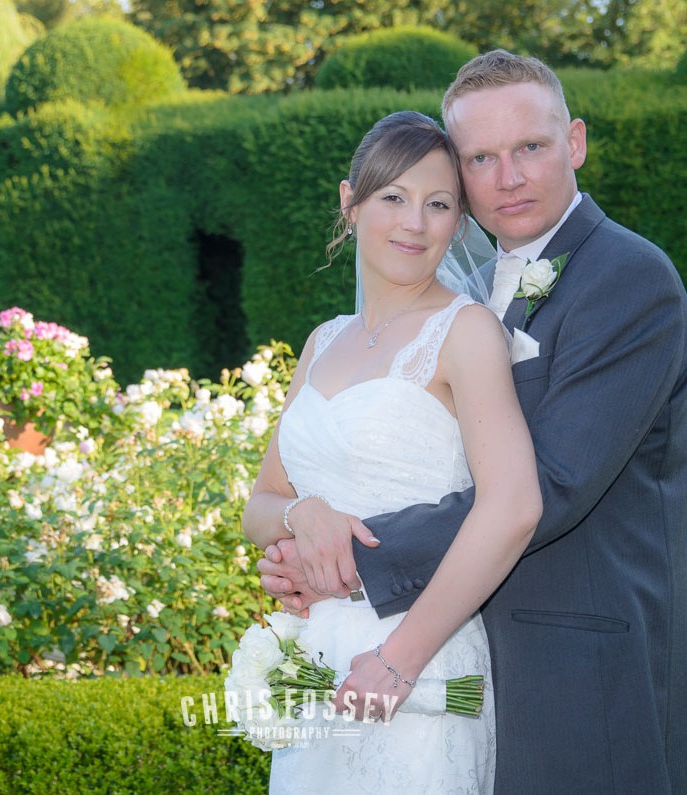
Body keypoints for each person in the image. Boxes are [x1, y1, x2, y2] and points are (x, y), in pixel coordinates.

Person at [258, 51, 687, 793]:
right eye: (481, 158)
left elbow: (550, 483)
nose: (507, 177)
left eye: (530, 147)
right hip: (464, 654)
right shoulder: (473, 291)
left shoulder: (628, 278)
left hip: (581, 662)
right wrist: (303, 522)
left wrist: (345, 558)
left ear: (575, 142)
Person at [241, 109, 542, 793]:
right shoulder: (322, 340)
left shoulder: (463, 333)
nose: (413, 222)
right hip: (317, 660)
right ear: (349, 202)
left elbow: (515, 504)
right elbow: (259, 505)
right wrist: (302, 515)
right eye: (392, 197)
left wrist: (398, 662)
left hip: (417, 659)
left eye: (437, 204)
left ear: (458, 224)